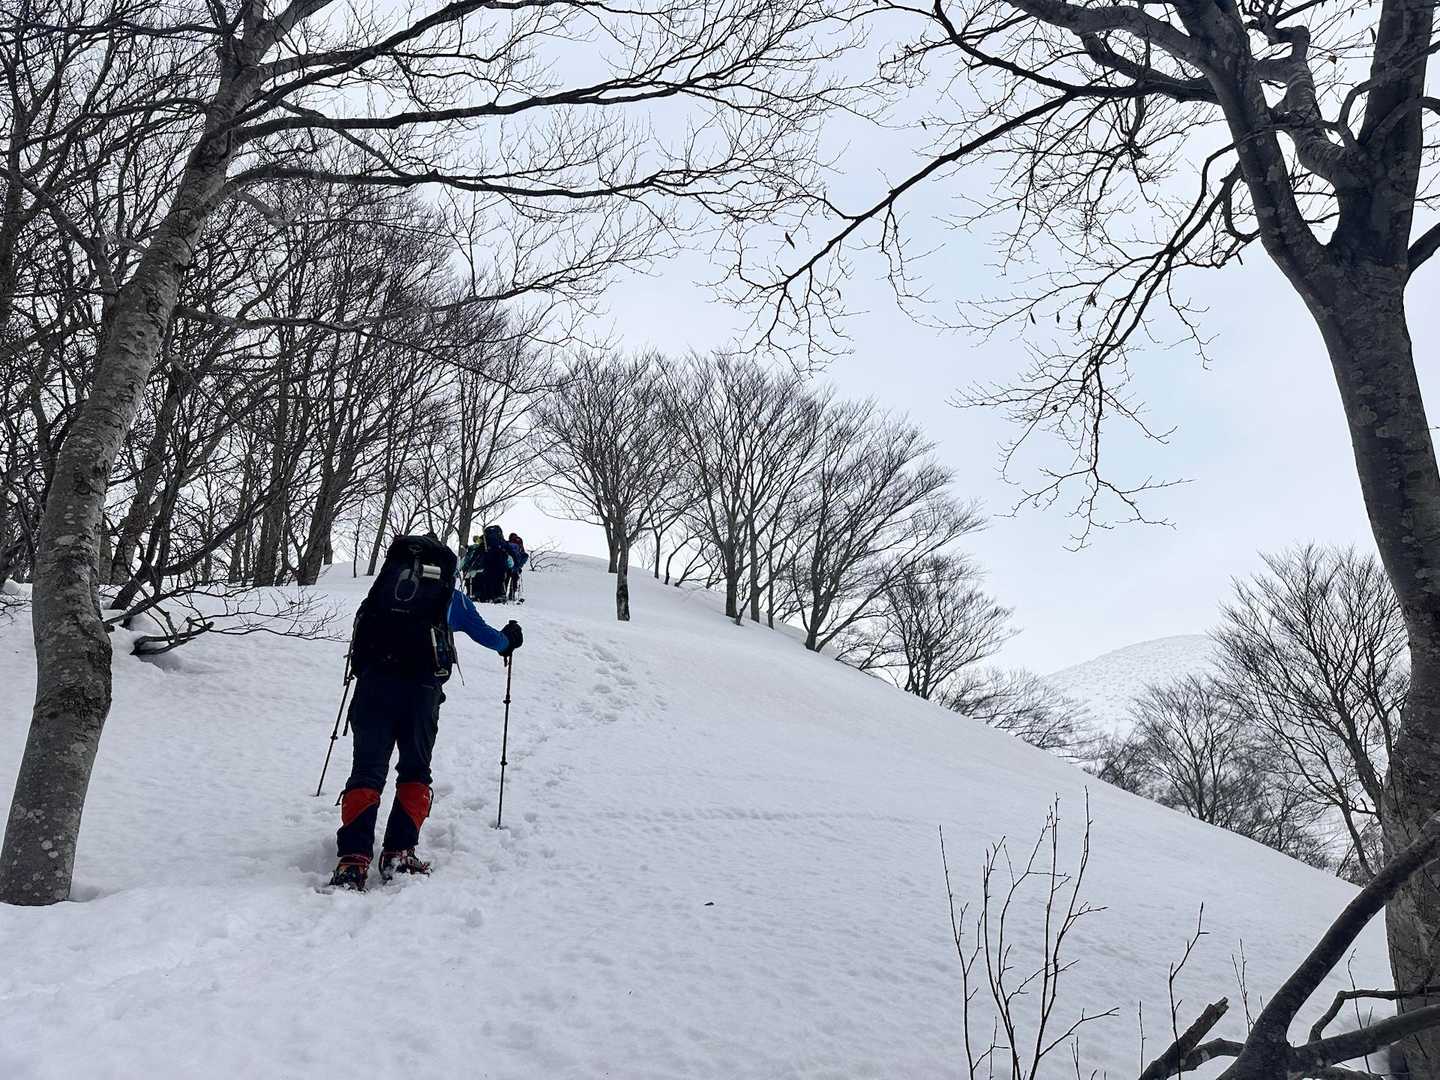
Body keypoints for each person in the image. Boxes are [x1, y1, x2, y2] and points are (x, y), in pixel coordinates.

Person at [329, 535, 523, 892]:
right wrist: (510, 639)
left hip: (372, 689)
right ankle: (399, 852)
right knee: (415, 769)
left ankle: (352, 861)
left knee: (367, 770)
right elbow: (492, 639)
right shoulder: (450, 598)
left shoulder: (383, 591)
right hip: (420, 695)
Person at [505, 533, 529, 601]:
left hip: (508, 566)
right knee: (514, 581)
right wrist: (519, 566)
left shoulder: (507, 544)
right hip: (516, 566)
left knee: (506, 580)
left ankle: (503, 594)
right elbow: (524, 555)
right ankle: (511, 595)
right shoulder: (519, 544)